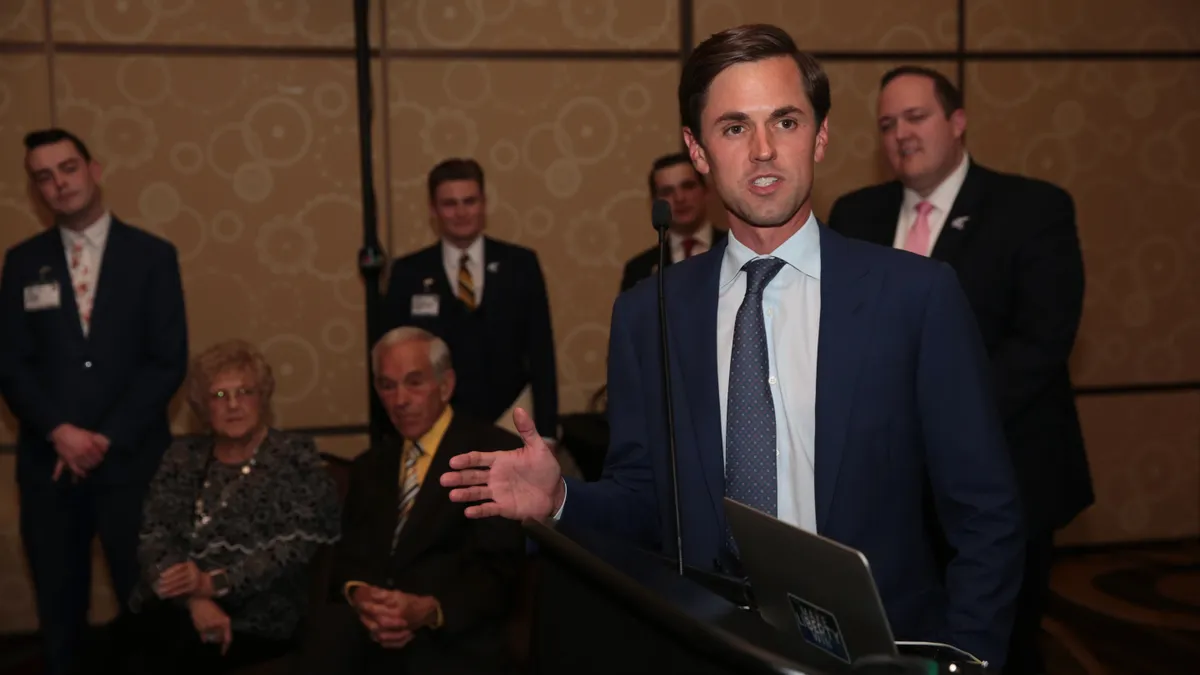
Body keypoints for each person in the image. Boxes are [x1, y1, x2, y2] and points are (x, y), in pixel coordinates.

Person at [441, 24, 1026, 670]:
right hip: (704, 648)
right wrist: (561, 499)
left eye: (786, 121)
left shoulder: (916, 298)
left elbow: (986, 515)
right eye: (734, 128)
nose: (765, 150)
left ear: (821, 135)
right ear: (697, 150)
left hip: (882, 655)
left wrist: (968, 660)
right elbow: (645, 498)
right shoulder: (648, 314)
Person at [827, 65, 1092, 675]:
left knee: (1000, 647)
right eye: (887, 124)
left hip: (1003, 479)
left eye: (916, 117)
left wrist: (932, 426)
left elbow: (1042, 342)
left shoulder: (1033, 208)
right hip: (886, 491)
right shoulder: (855, 216)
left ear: (957, 121)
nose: (901, 135)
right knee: (896, 644)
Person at [0, 128, 188, 675]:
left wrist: (103, 438)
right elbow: (10, 363)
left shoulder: (152, 256)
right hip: (49, 469)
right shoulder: (21, 262)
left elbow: (166, 360)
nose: (59, 183)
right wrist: (60, 431)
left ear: (94, 169)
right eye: (44, 177)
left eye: (68, 168)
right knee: (60, 620)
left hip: (133, 464)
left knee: (149, 612)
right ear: (36, 190)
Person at [94, 339, 342, 674]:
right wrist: (196, 598)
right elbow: (155, 536)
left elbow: (294, 547)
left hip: (261, 612)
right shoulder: (183, 457)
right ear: (202, 406)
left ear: (263, 397)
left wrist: (215, 584)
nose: (234, 405)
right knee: (105, 650)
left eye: (245, 392)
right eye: (220, 396)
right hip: (180, 607)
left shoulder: (294, 456)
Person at [297, 327, 526, 675]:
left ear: (446, 385)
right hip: (368, 637)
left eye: (414, 382)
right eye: (387, 386)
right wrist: (360, 596)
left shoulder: (492, 455)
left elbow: (500, 573)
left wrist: (431, 610)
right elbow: (346, 560)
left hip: (453, 639)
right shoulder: (369, 465)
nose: (399, 399)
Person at [384, 158, 559, 445]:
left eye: (469, 201)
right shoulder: (408, 273)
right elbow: (393, 361)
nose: (461, 212)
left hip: (510, 419)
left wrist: (549, 433)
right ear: (433, 209)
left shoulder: (520, 264)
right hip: (436, 424)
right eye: (449, 204)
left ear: (484, 203)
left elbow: (542, 352)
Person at [619, 152, 725, 291]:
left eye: (688, 186)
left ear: (706, 190)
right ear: (655, 202)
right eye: (667, 192)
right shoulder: (640, 270)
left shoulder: (738, 250)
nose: (679, 198)